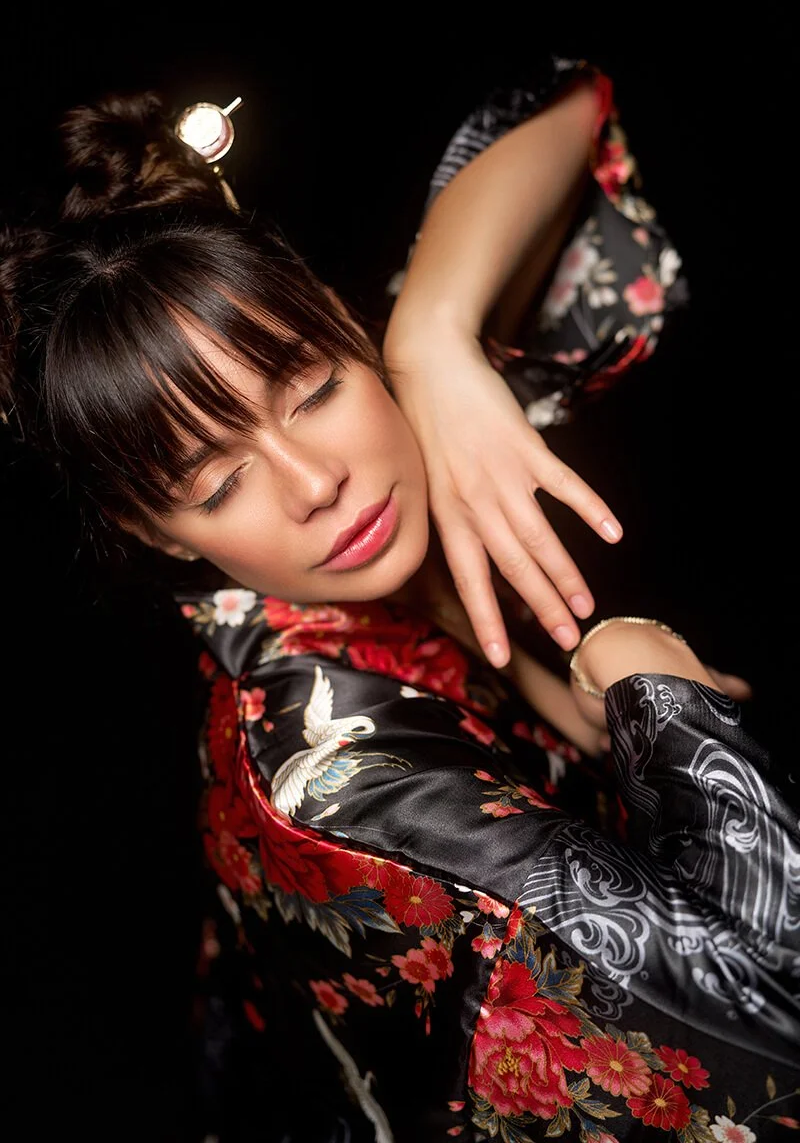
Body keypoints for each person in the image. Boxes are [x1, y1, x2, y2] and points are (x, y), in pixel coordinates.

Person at [1, 61, 796, 1143]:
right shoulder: (340, 789)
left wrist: (432, 333)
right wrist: (643, 677)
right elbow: (769, 1030)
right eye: (219, 485)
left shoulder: (410, 400)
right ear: (156, 533)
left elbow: (565, 102)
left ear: (344, 321)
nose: (314, 480)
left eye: (314, 388)